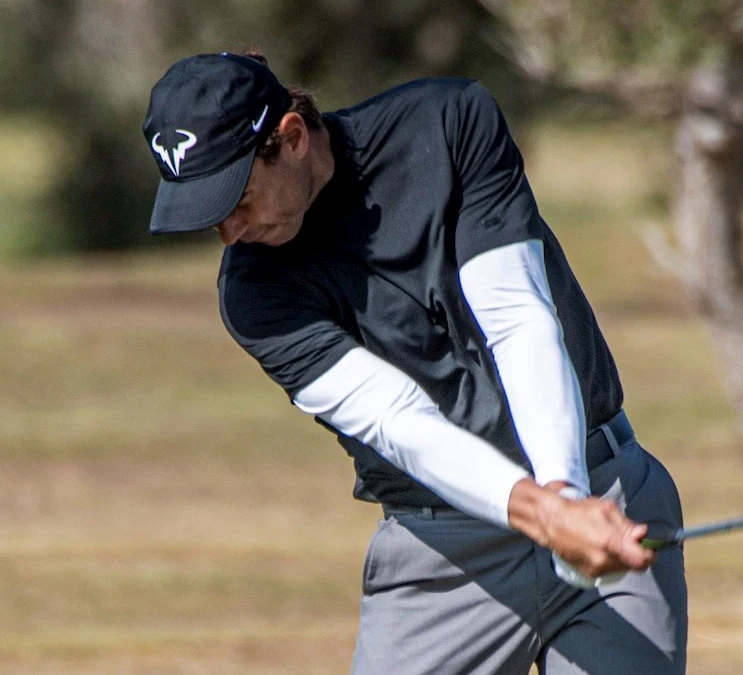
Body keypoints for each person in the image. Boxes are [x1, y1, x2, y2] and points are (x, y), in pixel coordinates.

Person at [141, 52, 687, 674]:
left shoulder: (448, 123)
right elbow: (399, 424)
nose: (229, 233)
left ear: (291, 138)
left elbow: (514, 316)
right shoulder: (254, 296)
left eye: (235, 200)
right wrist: (548, 514)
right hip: (442, 558)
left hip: (602, 492)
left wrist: (564, 496)